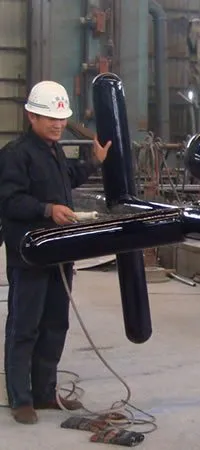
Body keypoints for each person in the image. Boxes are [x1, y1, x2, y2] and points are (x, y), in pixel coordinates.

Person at [0, 80, 112, 424]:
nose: (58, 124)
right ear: (31, 116)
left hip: (59, 253)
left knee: (55, 324)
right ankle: (21, 399)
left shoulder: (54, 151)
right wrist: (47, 210)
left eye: (61, 118)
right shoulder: (15, 154)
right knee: (25, 327)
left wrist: (94, 162)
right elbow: (10, 201)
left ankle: (45, 393)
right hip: (31, 255)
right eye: (50, 118)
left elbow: (67, 179)